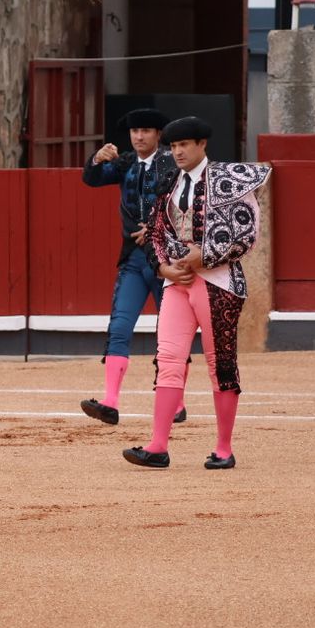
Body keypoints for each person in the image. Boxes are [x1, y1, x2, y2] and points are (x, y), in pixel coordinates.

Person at [123, 118, 270, 473]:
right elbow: (155, 231)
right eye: (173, 146)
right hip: (178, 282)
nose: (178, 152)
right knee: (168, 359)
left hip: (218, 282)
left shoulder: (228, 179)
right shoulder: (169, 183)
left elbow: (247, 232)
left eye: (184, 145)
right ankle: (158, 447)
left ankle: (223, 449)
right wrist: (163, 269)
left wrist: (203, 256)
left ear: (202, 144)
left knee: (220, 363)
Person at [80, 109, 188, 428]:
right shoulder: (126, 163)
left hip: (166, 261)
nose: (139, 136)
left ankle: (177, 402)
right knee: (119, 326)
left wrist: (155, 229)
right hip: (134, 259)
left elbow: (185, 206)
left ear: (158, 135)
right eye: (134, 131)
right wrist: (96, 159)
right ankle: (110, 402)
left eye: (145, 131)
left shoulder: (172, 163)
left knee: (171, 334)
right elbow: (92, 179)